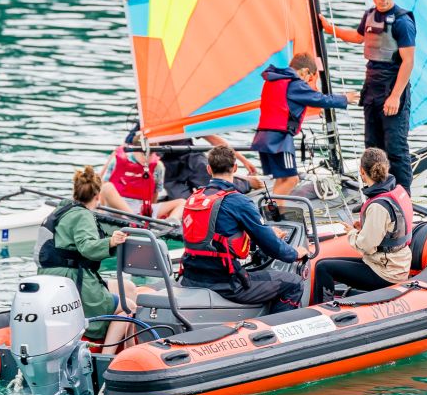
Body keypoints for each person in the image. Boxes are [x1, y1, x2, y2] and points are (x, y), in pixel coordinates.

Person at [318, 0, 416, 192]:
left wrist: (395, 96)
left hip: (393, 88)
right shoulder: (370, 15)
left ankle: (403, 198)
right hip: (371, 89)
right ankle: (377, 192)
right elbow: (359, 36)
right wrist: (329, 29)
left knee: (395, 148)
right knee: (372, 147)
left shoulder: (402, 22)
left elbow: (408, 62)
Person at [179, 146, 307, 314]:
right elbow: (274, 249)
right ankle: (279, 333)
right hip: (225, 283)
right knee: (293, 283)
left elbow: (214, 236)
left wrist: (259, 237)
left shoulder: (194, 199)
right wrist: (295, 253)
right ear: (235, 168)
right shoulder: (238, 201)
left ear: (209, 169)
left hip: (190, 277)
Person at [35, 166, 133, 354]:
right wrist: (111, 241)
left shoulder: (61, 210)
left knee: (128, 288)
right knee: (129, 307)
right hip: (74, 281)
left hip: (52, 280)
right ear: (98, 197)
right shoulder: (83, 215)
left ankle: (123, 344)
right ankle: (108, 356)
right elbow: (87, 247)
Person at [311, 148, 412, 304]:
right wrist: (362, 229)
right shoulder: (393, 192)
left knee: (323, 267)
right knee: (325, 263)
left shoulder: (378, 206)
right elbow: (388, 231)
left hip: (386, 273)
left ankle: (324, 310)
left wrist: (351, 233)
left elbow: (366, 246)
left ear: (362, 171)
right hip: (394, 263)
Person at [251, 53, 358, 199]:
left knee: (282, 179)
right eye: (310, 79)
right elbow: (320, 99)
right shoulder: (294, 84)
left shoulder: (275, 80)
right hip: (279, 140)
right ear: (305, 72)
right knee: (291, 179)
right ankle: (275, 214)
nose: (308, 84)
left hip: (263, 137)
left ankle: (276, 214)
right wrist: (345, 98)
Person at [99, 140, 185, 221]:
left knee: (182, 202)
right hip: (117, 208)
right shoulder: (117, 160)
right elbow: (103, 189)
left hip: (142, 209)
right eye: (144, 154)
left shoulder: (158, 167)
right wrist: (101, 210)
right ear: (134, 150)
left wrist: (149, 213)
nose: (147, 158)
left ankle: (169, 224)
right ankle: (134, 219)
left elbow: (155, 193)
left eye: (151, 154)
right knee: (107, 187)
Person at [157, 135, 261, 200]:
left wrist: (243, 159)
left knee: (219, 191)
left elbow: (214, 139)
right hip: (169, 169)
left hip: (193, 161)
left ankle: (245, 182)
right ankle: (230, 176)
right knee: (184, 202)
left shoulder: (184, 115)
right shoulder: (147, 121)